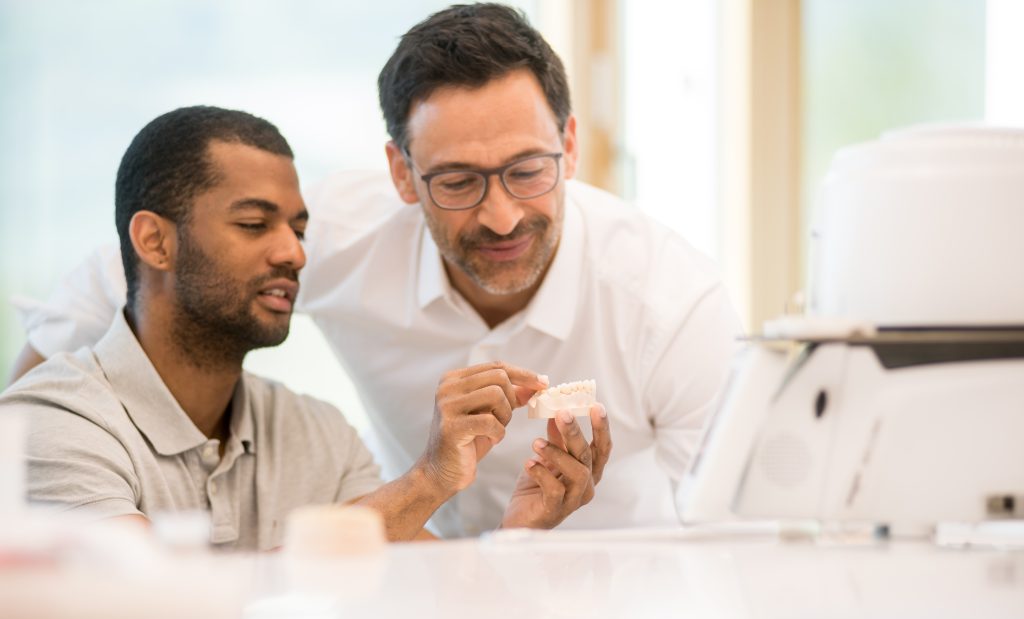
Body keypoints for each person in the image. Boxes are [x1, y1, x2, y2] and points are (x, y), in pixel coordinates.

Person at [8, 3, 740, 537]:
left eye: (527, 170)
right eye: (456, 181)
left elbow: (724, 533)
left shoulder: (671, 304)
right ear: (401, 173)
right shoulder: (332, 231)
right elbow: (116, 280)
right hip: (432, 590)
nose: (501, 216)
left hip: (624, 583)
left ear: (571, 148)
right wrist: (27, 443)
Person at [0, 106, 609, 551]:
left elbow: (432, 598)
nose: (293, 252)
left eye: (297, 228)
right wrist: (427, 481)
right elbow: (167, 603)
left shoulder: (317, 433)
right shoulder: (50, 426)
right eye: (254, 224)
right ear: (154, 241)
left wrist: (516, 538)